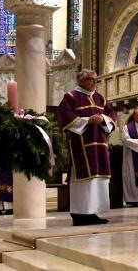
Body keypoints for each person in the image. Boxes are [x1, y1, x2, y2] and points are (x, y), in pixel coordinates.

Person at [57, 69, 116, 226]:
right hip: (81, 145)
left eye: (95, 79)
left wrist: (103, 118)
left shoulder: (100, 98)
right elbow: (65, 117)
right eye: (90, 79)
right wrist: (87, 120)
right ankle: (79, 214)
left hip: (99, 145)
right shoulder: (71, 97)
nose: (94, 82)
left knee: (97, 179)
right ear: (80, 80)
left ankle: (92, 213)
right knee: (83, 180)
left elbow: (111, 114)